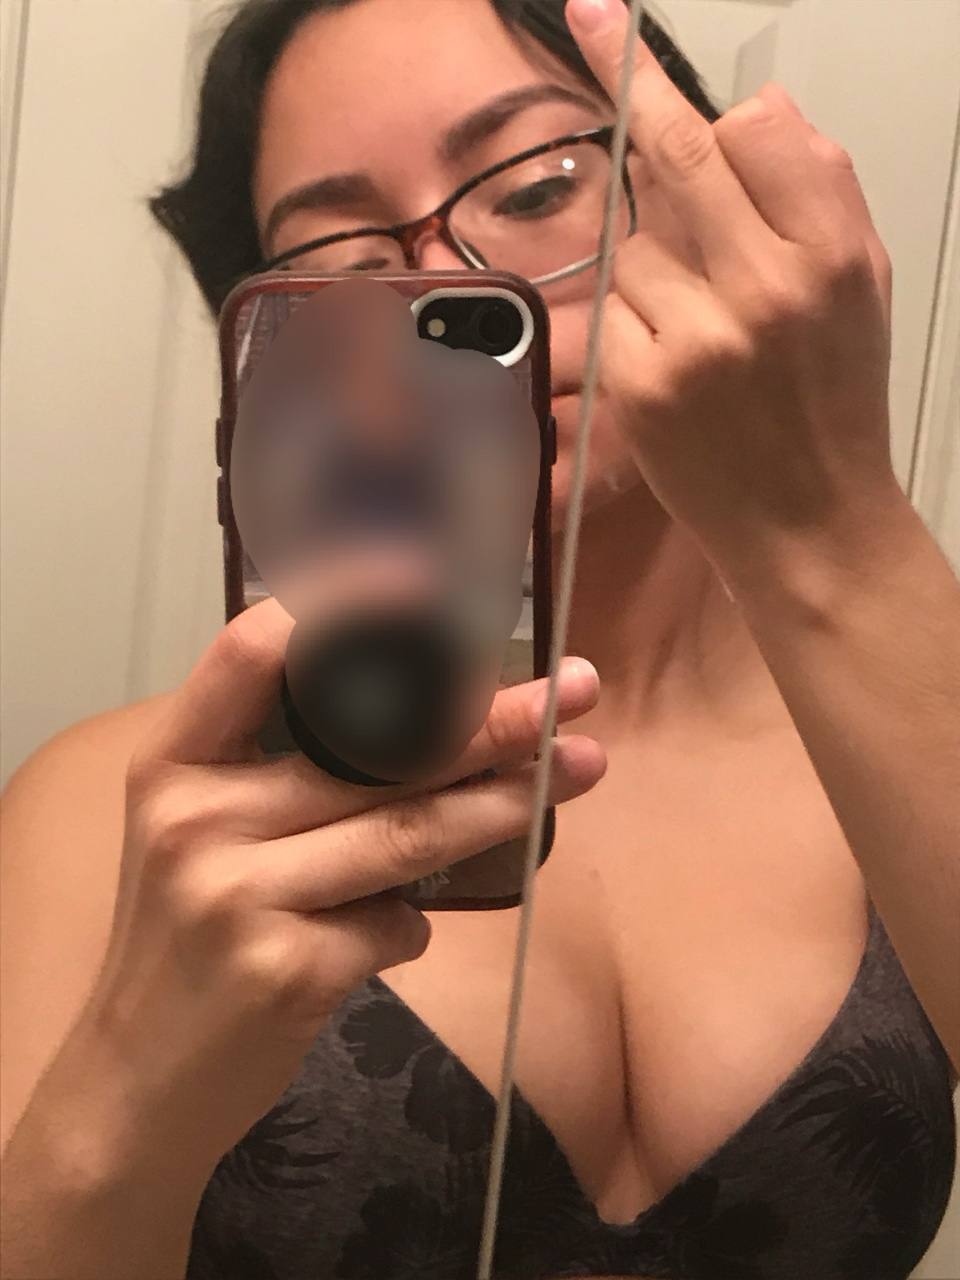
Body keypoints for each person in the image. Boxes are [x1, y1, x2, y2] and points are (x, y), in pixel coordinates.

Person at [2, 0, 958, 1276]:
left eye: (537, 186)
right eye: (346, 262)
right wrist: (126, 1098)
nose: (453, 291)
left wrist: (837, 529)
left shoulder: (894, 712)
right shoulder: (127, 815)